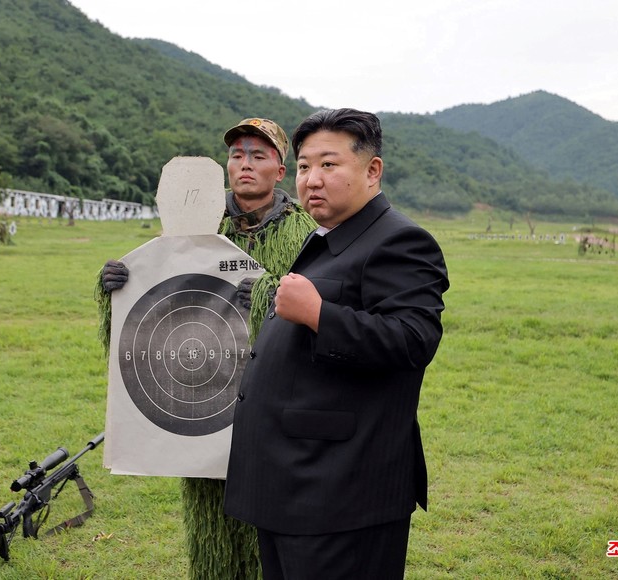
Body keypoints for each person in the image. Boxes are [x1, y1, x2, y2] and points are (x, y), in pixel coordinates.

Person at [223, 108, 450, 579]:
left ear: (372, 171)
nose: (312, 179)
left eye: (329, 165)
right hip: (297, 486)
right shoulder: (330, 237)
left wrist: (320, 314)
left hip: (341, 494)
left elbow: (413, 340)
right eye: (305, 166)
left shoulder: (400, 241)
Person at [98, 118, 317, 579]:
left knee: (270, 528)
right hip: (201, 402)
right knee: (211, 528)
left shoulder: (305, 237)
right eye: (237, 155)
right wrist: (116, 291)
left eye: (258, 155)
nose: (245, 164)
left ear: (281, 170)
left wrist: (265, 297)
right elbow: (153, 321)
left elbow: (317, 321)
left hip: (274, 406)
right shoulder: (191, 233)